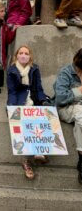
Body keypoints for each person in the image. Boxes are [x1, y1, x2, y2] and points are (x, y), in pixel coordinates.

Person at [7, 45, 48, 180]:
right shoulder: (12, 70)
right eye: (21, 53)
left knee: (41, 119)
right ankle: (26, 162)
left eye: (26, 53)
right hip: (19, 101)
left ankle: (39, 151)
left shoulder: (34, 68)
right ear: (16, 55)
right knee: (24, 125)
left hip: (33, 99)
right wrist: (12, 107)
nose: (23, 55)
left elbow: (39, 87)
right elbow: (12, 91)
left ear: (30, 56)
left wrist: (43, 101)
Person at [54, 48, 82, 184]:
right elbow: (60, 98)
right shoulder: (66, 72)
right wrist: (79, 91)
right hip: (66, 108)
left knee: (80, 117)